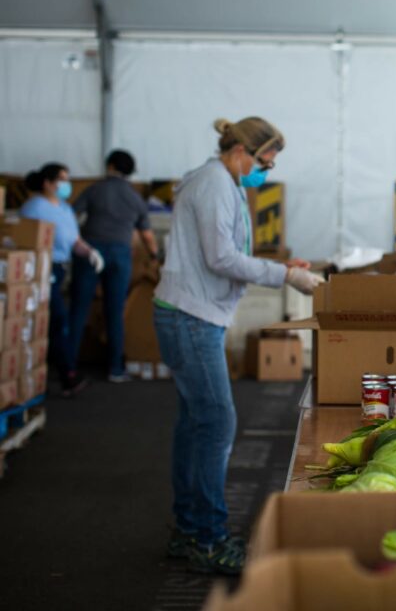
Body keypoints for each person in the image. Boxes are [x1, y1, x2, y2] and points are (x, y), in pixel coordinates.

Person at [153, 117, 323, 575]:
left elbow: (224, 251)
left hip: (190, 313)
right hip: (191, 317)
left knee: (197, 424)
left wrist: (281, 265)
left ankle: (190, 529)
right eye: (265, 163)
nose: (265, 172)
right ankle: (208, 538)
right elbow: (221, 258)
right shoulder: (213, 184)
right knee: (216, 424)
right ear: (242, 153)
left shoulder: (221, 182)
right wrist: (286, 275)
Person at [68, 150, 159, 384]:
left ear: (110, 166)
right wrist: (155, 256)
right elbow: (147, 236)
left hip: (90, 252)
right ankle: (116, 369)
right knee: (115, 311)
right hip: (120, 255)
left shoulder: (95, 189)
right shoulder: (135, 197)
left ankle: (68, 367)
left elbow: (71, 217)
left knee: (79, 309)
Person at [20, 163, 104, 396]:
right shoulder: (34, 207)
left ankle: (50, 374)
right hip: (43, 270)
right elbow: (25, 239)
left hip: (61, 269)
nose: (66, 184)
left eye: (68, 179)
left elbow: (73, 240)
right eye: (62, 179)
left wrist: (90, 252)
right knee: (57, 321)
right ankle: (68, 375)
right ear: (47, 183)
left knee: (55, 321)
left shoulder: (66, 209)